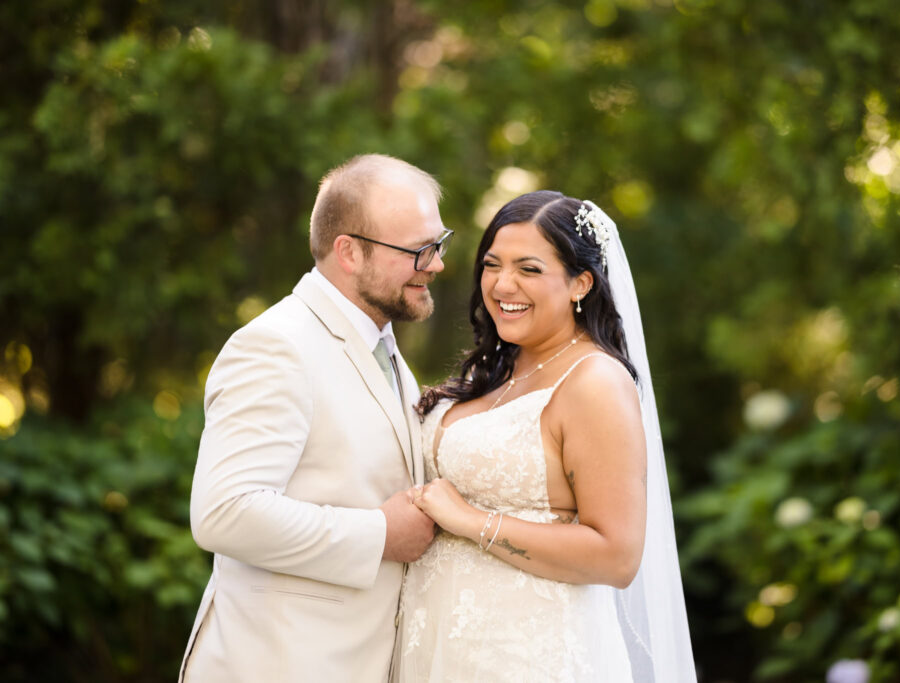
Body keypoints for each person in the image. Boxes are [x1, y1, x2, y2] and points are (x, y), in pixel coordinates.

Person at [394, 191, 697, 682]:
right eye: (492, 265)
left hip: (527, 656)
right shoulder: (499, 370)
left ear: (580, 283)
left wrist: (473, 521)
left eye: (529, 269)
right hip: (439, 652)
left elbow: (616, 556)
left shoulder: (593, 381)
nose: (502, 284)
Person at [179, 154, 449, 682]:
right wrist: (378, 535)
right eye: (419, 249)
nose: (436, 263)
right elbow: (225, 512)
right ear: (348, 252)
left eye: (439, 243)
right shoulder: (276, 345)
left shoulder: (382, 344)